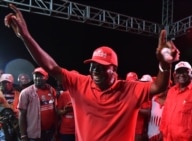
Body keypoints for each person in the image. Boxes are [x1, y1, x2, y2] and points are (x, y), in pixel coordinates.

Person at [4, 4, 180, 141]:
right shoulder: (80, 83)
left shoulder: (129, 89)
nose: (95, 69)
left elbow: (160, 86)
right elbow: (51, 67)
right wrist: (26, 37)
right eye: (93, 65)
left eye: (102, 66)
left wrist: (165, 64)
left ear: (115, 70)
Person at [18, 67, 58, 141]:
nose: (37, 78)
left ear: (46, 77)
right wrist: (23, 135)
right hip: (35, 135)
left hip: (50, 132)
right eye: (36, 76)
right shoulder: (25, 92)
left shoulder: (51, 90)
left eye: (40, 76)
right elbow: (22, 115)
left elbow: (55, 109)